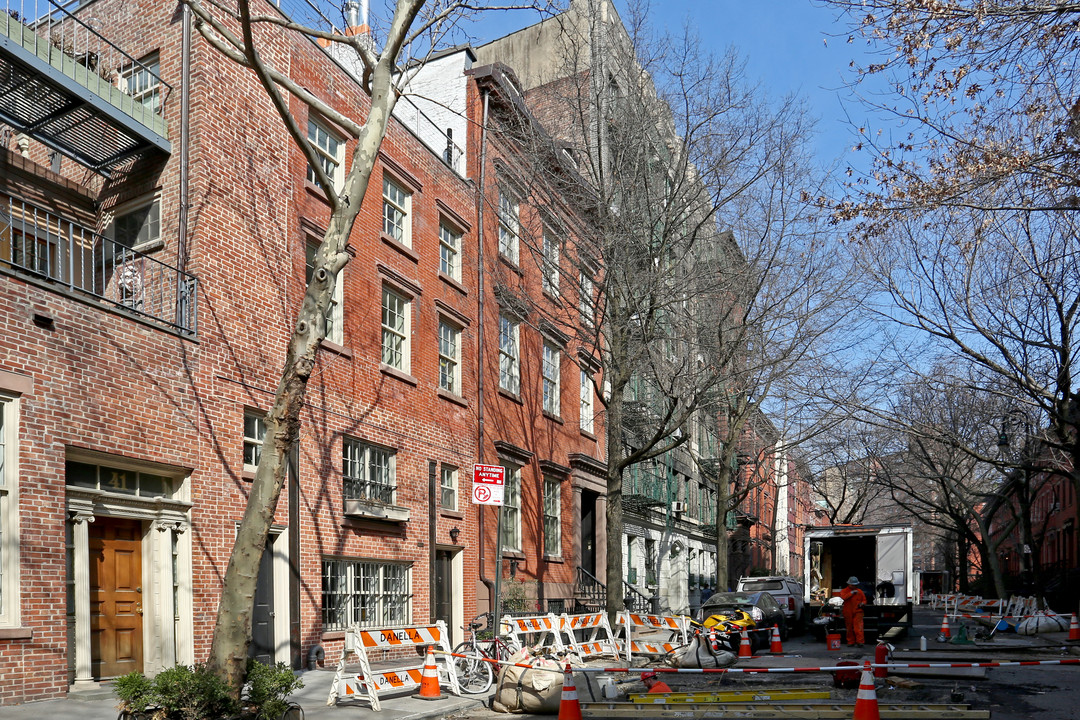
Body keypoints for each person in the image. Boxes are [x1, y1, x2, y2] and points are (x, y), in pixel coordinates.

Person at [839, 576, 867, 647]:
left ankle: (860, 642)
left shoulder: (860, 592)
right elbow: (844, 597)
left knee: (859, 628)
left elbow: (864, 600)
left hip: (858, 611)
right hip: (848, 612)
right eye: (853, 585)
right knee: (849, 628)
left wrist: (863, 603)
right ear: (849, 584)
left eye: (855, 585)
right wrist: (851, 593)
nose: (854, 586)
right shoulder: (844, 591)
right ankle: (850, 642)